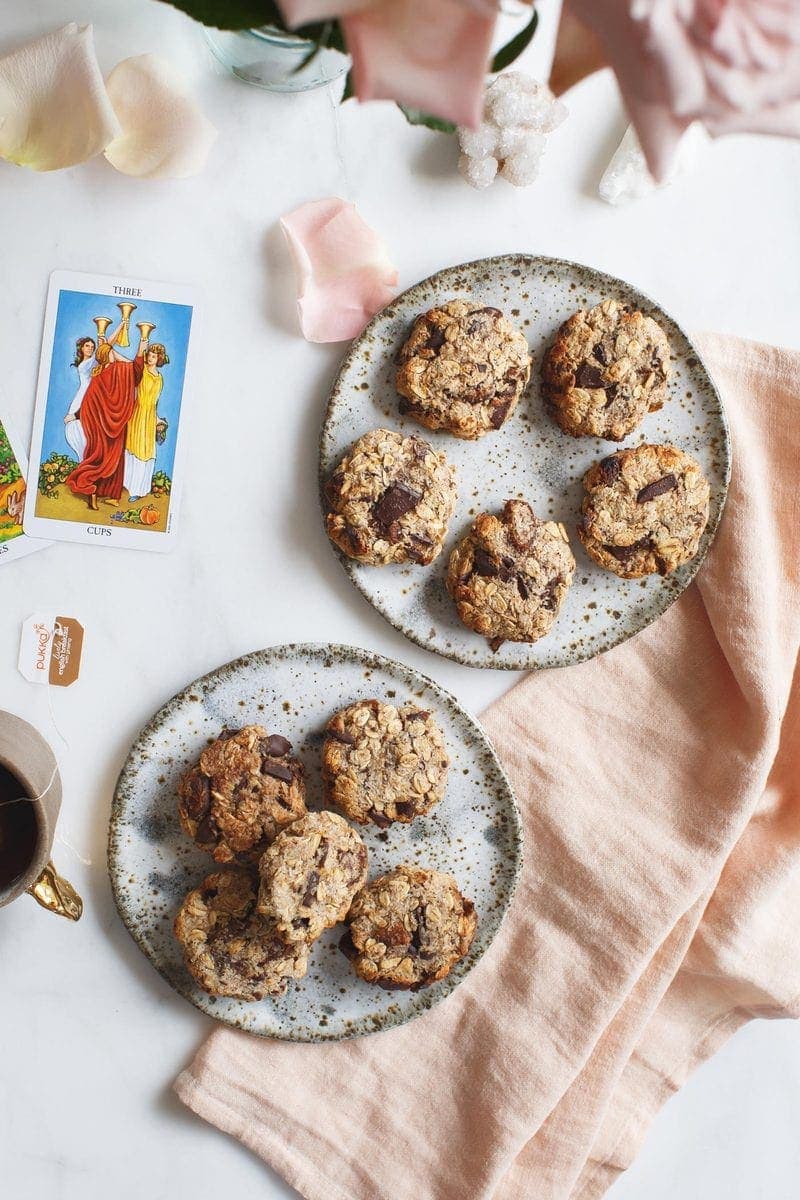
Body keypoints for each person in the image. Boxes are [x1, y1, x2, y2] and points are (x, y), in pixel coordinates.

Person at [65, 323, 145, 512]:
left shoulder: (102, 375)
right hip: (113, 427)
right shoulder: (116, 371)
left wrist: (79, 416)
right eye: (111, 352)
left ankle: (100, 490)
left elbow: (89, 404)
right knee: (110, 459)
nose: (114, 353)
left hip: (102, 427)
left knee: (101, 458)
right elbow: (135, 370)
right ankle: (101, 489)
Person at [124, 342, 169, 502]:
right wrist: (144, 339)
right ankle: (127, 484)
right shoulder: (141, 369)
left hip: (148, 417)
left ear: (159, 359)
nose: (150, 358)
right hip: (136, 413)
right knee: (132, 448)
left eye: (154, 356)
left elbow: (155, 402)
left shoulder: (159, 378)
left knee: (144, 451)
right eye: (149, 355)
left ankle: (139, 490)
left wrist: (158, 421)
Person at [63, 336, 96, 460]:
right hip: (82, 396)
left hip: (89, 395)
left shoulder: (92, 361)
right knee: (76, 429)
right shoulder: (85, 364)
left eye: (92, 347)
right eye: (87, 346)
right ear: (81, 348)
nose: (90, 349)